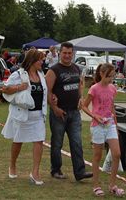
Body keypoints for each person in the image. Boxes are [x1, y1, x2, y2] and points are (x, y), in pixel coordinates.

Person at [45, 42, 93, 181]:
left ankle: (80, 172)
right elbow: (48, 91)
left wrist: (81, 98)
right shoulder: (53, 70)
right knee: (57, 143)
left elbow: (80, 84)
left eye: (69, 53)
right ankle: (56, 170)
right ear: (60, 53)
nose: (67, 55)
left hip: (74, 113)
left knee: (77, 142)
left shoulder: (76, 68)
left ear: (73, 54)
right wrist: (54, 108)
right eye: (64, 53)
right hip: (59, 113)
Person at [1, 49, 48, 185]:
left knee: (39, 141)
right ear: (32, 60)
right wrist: (19, 87)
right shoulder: (19, 74)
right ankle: (12, 165)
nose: (42, 62)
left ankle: (35, 172)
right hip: (23, 114)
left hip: (39, 114)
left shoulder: (41, 74)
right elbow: (5, 89)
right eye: (40, 60)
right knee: (18, 141)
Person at [82, 63, 125, 197]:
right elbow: (84, 106)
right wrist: (95, 116)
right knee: (97, 156)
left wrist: (116, 126)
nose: (111, 79)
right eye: (109, 76)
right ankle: (96, 185)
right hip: (98, 125)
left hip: (110, 123)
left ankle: (112, 185)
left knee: (116, 154)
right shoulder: (94, 89)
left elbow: (112, 108)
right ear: (101, 74)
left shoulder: (112, 88)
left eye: (113, 76)